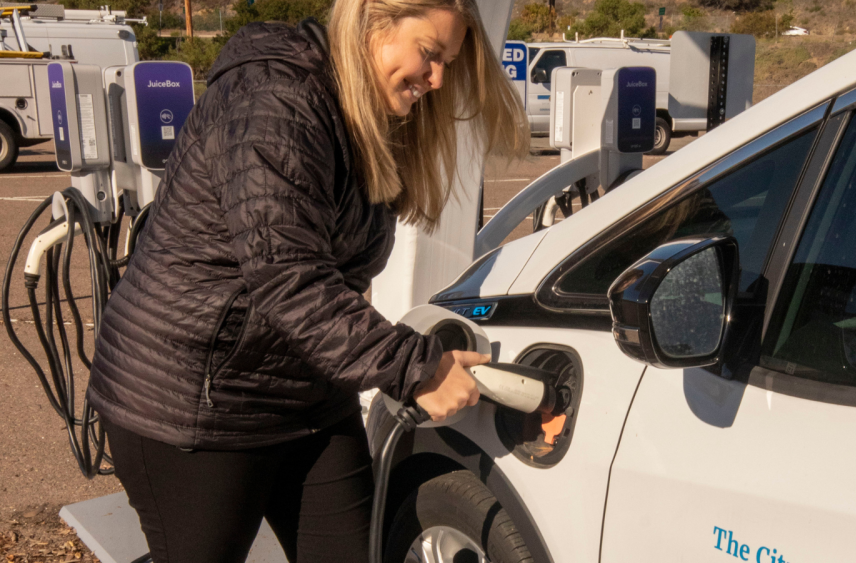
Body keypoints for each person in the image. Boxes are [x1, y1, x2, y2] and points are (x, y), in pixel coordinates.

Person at [85, 0, 528, 561]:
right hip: (192, 403)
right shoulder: (275, 102)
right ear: (372, 22)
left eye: (449, 62)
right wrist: (416, 367)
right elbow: (289, 278)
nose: (438, 79)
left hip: (306, 390)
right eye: (430, 54)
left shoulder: (363, 115)